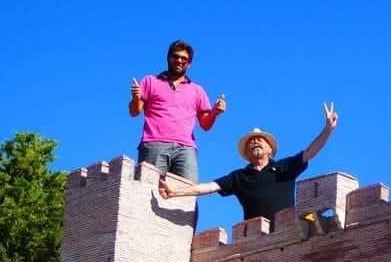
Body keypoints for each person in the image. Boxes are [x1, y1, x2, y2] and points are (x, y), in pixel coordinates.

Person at [159, 103, 338, 222]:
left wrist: (328, 129)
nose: (255, 142)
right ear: (246, 153)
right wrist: (175, 192)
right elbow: (208, 187)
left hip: (289, 231)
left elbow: (310, 152)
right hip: (255, 239)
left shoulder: (283, 167)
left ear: (270, 150)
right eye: (251, 142)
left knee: (317, 221)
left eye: (260, 140)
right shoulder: (239, 177)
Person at [130, 40, 226, 182]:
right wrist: (136, 98)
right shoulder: (150, 81)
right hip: (154, 143)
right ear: (168, 58)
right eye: (175, 56)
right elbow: (134, 112)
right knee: (149, 189)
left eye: (184, 59)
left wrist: (214, 113)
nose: (179, 61)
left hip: (186, 149)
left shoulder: (197, 90)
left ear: (189, 64)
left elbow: (205, 125)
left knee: (187, 192)